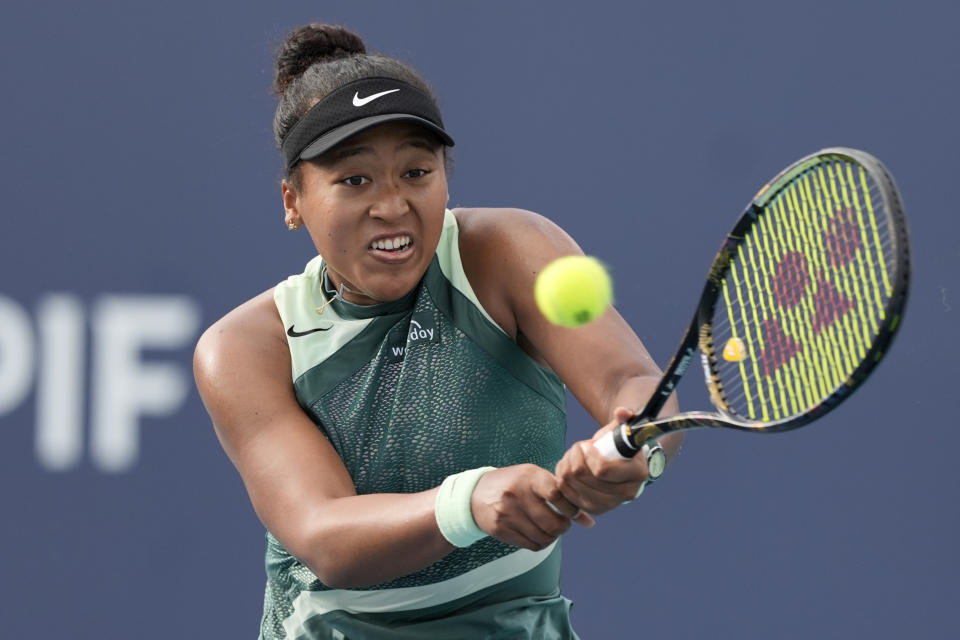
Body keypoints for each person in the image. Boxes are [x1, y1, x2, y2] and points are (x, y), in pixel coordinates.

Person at [194, 23, 681, 640]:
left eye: (416, 172)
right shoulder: (245, 347)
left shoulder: (508, 251)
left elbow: (630, 380)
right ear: (293, 200)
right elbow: (325, 534)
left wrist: (636, 446)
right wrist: (472, 502)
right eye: (355, 179)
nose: (392, 204)